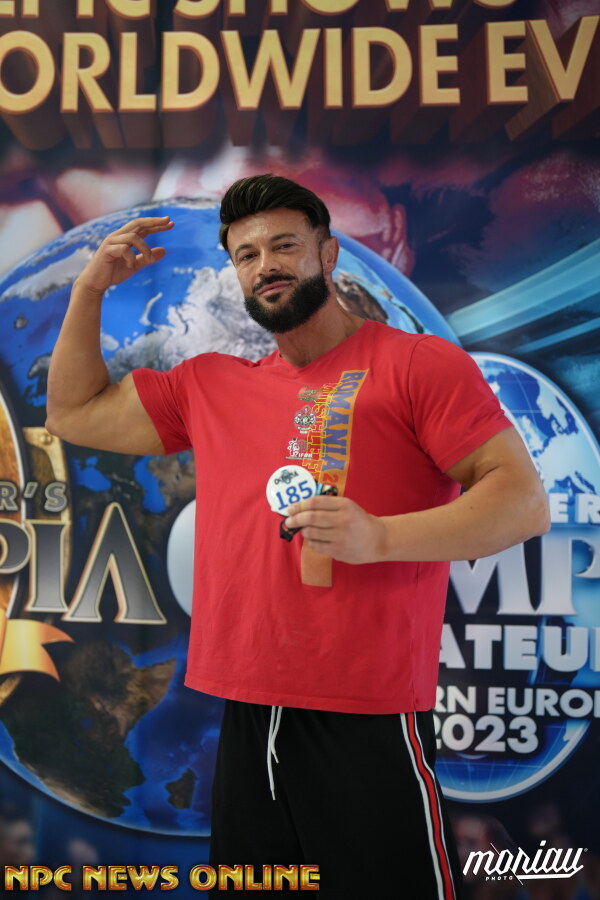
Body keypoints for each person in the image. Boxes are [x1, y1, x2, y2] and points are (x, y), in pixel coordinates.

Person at [46, 174, 550, 898]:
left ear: (328, 253)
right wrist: (89, 290)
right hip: (247, 709)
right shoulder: (210, 385)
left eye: (284, 246)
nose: (266, 265)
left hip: (366, 714)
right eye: (247, 255)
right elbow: (72, 412)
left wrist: (380, 537)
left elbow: (523, 503)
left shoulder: (417, 364)